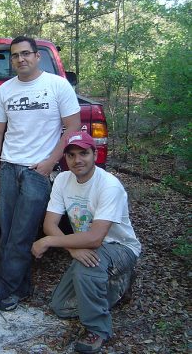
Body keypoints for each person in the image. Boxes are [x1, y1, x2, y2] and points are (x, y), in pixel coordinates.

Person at [0, 36, 81, 311]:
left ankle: (1, 287)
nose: (20, 59)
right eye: (15, 55)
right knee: (8, 233)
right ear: (11, 60)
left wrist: (51, 161)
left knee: (22, 233)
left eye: (26, 54)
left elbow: (73, 126)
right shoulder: (5, 90)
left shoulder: (57, 85)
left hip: (38, 171)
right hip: (9, 167)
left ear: (37, 56)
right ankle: (19, 290)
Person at [32, 131, 141, 353]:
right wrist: (72, 248)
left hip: (120, 248)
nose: (77, 160)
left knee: (87, 267)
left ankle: (98, 329)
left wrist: (49, 242)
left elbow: (95, 237)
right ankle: (118, 286)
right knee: (60, 306)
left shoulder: (109, 185)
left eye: (84, 153)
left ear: (95, 154)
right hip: (86, 245)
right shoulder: (63, 180)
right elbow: (49, 224)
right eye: (71, 155)